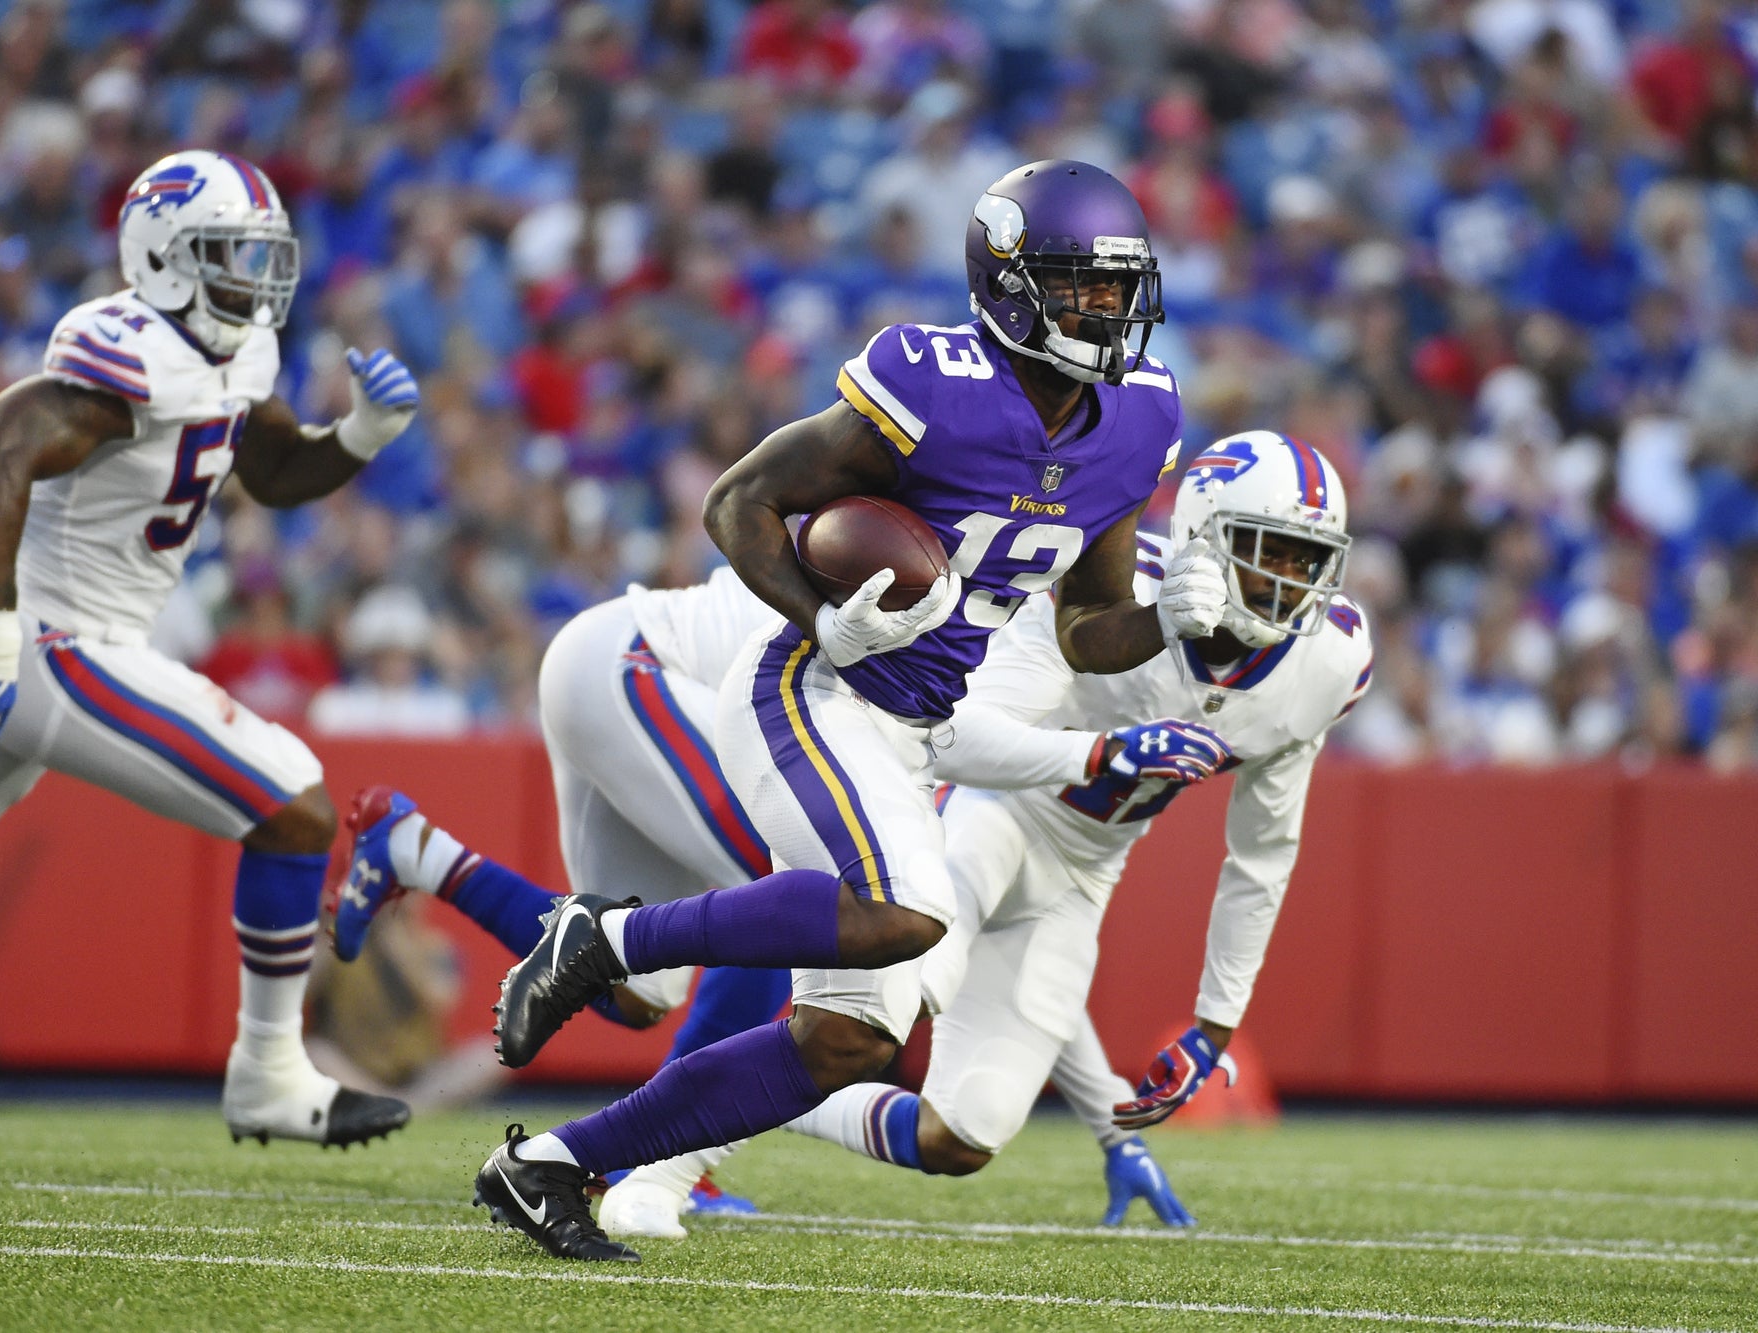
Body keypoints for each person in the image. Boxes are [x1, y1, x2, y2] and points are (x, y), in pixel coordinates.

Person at [473, 159, 1236, 1262]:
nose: (1104, 311)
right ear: (1011, 284)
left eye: (1118, 288)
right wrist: (813, 618)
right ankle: (603, 934)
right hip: (812, 687)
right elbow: (738, 501)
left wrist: (1172, 618)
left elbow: (1086, 628)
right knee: (906, 910)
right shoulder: (931, 382)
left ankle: (551, 1166)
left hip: (914, 724)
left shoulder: (1136, 417)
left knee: (845, 1038)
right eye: (1078, 286)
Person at [0, 151, 421, 1150]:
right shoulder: (130, 348)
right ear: (162, 254)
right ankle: (269, 1075)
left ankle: (270, 1076)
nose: (252, 275)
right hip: (40, 631)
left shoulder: (238, 351)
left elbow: (273, 469)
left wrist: (359, 436)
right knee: (294, 801)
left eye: (259, 253)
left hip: (39, 632)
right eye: (227, 253)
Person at [601, 431, 1371, 1236]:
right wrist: (1100, 751)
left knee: (964, 1134)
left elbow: (1263, 855)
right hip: (989, 811)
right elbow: (957, 735)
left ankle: (760, 1095)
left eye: (1307, 560)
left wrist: (1214, 1023)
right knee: (869, 1020)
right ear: (1202, 538)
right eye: (1272, 553)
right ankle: (655, 1167)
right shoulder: (1102, 590)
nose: (1291, 583)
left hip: (1079, 876)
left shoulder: (1327, 662)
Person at [329, 567, 794, 1213]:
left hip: (624, 671)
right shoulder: (940, 588)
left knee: (634, 990)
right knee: (788, 895)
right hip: (635, 663)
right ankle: (665, 1157)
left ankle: (417, 851)